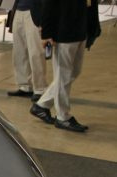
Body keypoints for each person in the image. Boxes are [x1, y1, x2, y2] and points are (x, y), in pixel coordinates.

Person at [30, 0, 100, 132]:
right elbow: (48, 4)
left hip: (80, 29)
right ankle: (63, 117)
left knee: (74, 72)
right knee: (63, 75)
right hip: (64, 31)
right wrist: (46, 34)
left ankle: (42, 105)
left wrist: (93, 29)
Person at [8, 0, 46, 101]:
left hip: (34, 11)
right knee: (19, 52)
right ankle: (25, 86)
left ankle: (40, 89)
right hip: (18, 10)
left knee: (36, 53)